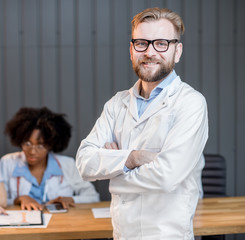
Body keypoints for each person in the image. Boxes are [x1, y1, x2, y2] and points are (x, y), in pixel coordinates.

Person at [76, 7, 208, 239]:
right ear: (131, 50)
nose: (150, 52)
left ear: (177, 51)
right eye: (142, 43)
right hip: (123, 233)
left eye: (161, 44)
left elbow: (167, 176)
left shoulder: (190, 103)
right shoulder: (116, 104)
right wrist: (132, 158)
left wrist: (113, 173)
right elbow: (84, 162)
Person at [0, 107, 99, 210]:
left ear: (51, 145)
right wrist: (19, 199)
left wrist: (71, 199)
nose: (32, 151)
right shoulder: (7, 163)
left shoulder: (67, 164)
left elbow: (93, 197)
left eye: (40, 145)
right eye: (27, 143)